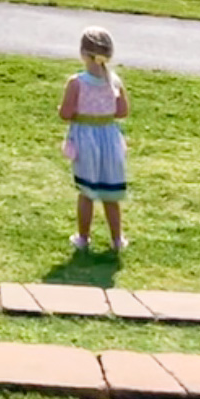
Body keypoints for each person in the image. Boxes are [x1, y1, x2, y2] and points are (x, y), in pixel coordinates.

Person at [58, 27, 129, 252]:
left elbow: (66, 113)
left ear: (83, 53)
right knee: (111, 192)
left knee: (87, 191)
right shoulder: (115, 81)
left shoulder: (76, 82)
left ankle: (83, 237)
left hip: (86, 139)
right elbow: (122, 111)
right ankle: (117, 239)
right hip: (109, 138)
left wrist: (64, 109)